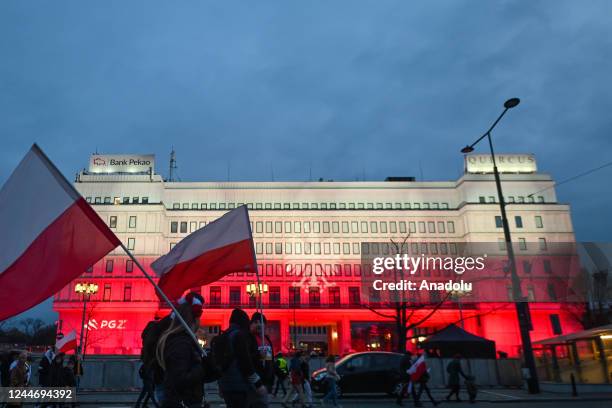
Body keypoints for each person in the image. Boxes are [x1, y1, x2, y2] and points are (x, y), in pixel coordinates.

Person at [155, 299, 205, 408]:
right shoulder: (181, 343)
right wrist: (202, 367)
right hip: (182, 401)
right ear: (192, 320)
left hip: (184, 400)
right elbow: (180, 378)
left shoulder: (183, 341)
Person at [216, 308, 268, 408]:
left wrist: (220, 386)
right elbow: (245, 362)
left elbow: (219, 364)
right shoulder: (239, 335)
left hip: (226, 385)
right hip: (239, 385)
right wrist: (258, 384)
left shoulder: (223, 336)